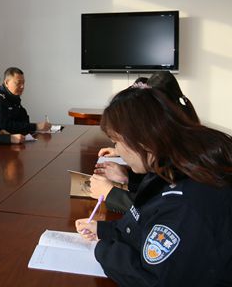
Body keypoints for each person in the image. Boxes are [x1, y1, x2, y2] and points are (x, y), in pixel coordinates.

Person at [75, 87, 232, 286]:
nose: (117, 151)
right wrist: (105, 230)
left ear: (141, 140)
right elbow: (144, 222)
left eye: (116, 142)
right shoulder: (168, 167)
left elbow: (151, 279)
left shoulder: (184, 202)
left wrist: (102, 249)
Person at [90, 72, 200, 213]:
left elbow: (158, 210)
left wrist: (110, 193)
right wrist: (128, 177)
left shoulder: (183, 163)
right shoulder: (176, 145)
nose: (118, 149)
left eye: (117, 141)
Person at [0, 67, 51, 134]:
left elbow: (24, 119)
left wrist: (32, 127)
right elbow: (6, 126)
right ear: (6, 83)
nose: (22, 86)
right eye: (18, 83)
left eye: (23, 83)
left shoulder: (13, 97)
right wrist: (36, 126)